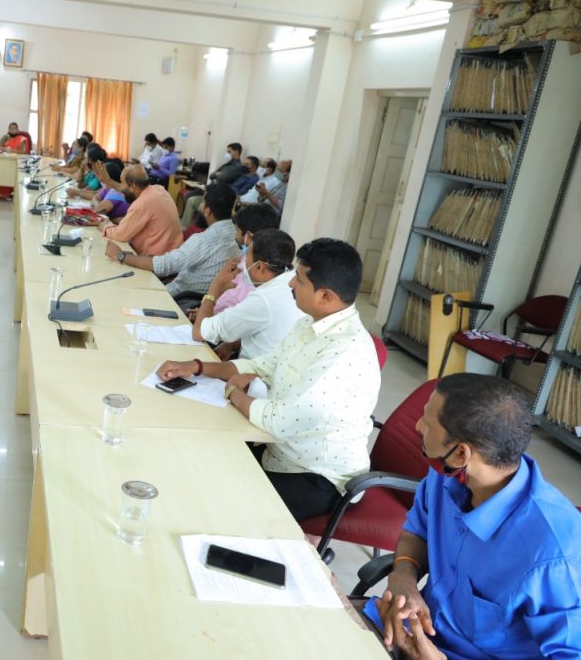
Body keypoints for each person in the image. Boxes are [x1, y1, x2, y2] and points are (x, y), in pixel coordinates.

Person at [156, 238, 379, 522]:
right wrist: (197, 367)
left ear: (325, 296)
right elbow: (261, 365)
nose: (290, 284)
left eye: (299, 280)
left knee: (216, 505)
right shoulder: (308, 325)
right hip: (279, 450)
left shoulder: (344, 352)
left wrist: (234, 394)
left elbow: (282, 421)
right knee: (196, 457)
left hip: (317, 476)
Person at [362, 373, 581, 659]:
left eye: (427, 423)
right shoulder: (447, 474)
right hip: (409, 633)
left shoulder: (554, 556)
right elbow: (417, 531)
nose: (417, 426)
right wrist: (404, 575)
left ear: (461, 454)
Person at [107, 182, 239, 297]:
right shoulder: (237, 236)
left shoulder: (203, 240)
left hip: (178, 297)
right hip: (201, 297)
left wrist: (121, 256)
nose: (200, 206)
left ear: (207, 211)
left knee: (121, 288)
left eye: (203, 202)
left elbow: (165, 265)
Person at [191, 228, 304, 363]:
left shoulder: (263, 299)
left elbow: (199, 333)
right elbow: (265, 332)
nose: (243, 265)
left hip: (251, 373)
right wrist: (230, 345)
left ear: (259, 267)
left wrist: (216, 284)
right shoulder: (291, 280)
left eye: (247, 259)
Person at [209, 204, 281, 319]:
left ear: (249, 236)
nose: (235, 235)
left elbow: (223, 295)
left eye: (237, 230)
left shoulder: (251, 271)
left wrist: (218, 283)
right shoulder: (265, 265)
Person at [100, 164, 183, 257]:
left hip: (155, 259)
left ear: (133, 186)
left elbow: (120, 235)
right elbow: (125, 189)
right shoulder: (158, 189)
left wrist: (104, 226)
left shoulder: (141, 204)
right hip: (172, 252)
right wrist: (108, 181)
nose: (120, 187)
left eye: (122, 182)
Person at [181, 142, 245, 227]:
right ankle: (186, 226)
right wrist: (217, 175)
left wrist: (217, 175)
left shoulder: (236, 167)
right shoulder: (228, 164)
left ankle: (187, 227)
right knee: (188, 195)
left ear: (236, 152)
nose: (227, 154)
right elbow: (211, 175)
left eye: (229, 152)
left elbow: (221, 178)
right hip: (211, 190)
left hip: (218, 196)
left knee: (192, 200)